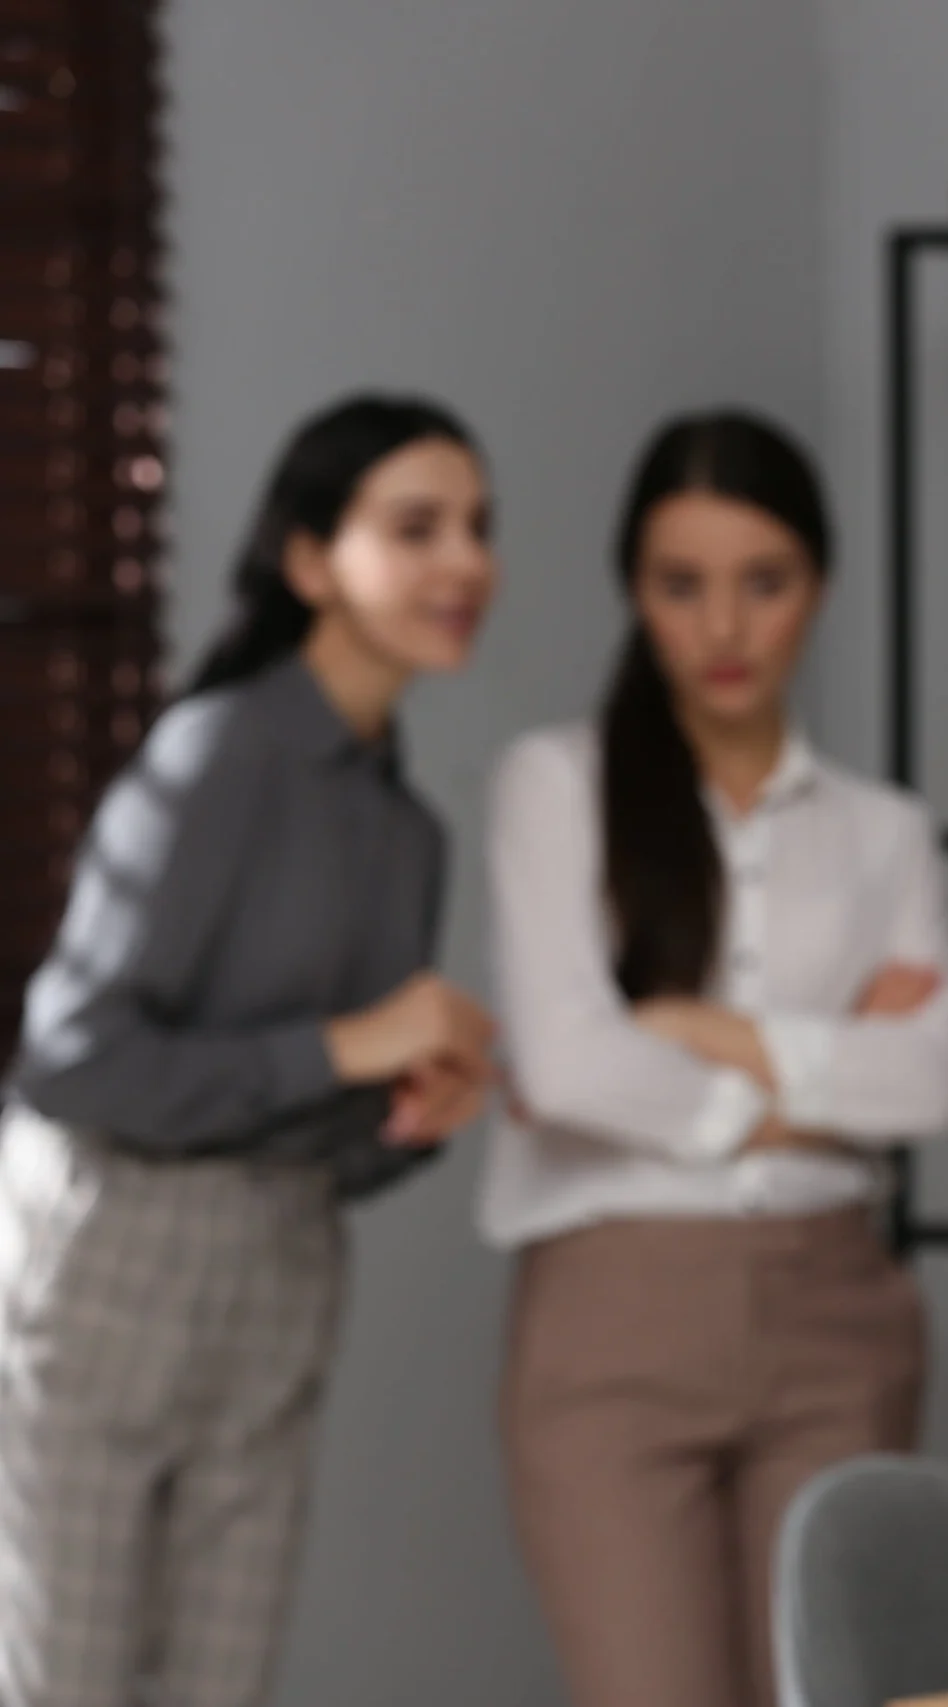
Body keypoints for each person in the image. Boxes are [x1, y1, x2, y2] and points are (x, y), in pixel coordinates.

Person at [0, 396, 500, 1707]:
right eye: (416, 527)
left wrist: (409, 1115)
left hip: (282, 1270)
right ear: (310, 559)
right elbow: (72, 1062)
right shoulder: (216, 754)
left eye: (479, 528)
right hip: (116, 1255)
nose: (465, 563)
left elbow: (327, 1142)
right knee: (70, 1686)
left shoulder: (412, 837)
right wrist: (345, 1042)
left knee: (224, 1689)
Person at [484, 410, 948, 1707]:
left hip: (837, 1314)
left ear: (815, 587)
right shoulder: (555, 786)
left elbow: (928, 1080)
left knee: (831, 1686)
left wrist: (694, 1034)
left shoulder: (885, 833)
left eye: (762, 584)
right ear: (634, 591)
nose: (722, 628)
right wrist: (825, 1082)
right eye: (681, 584)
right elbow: (566, 1060)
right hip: (612, 1322)